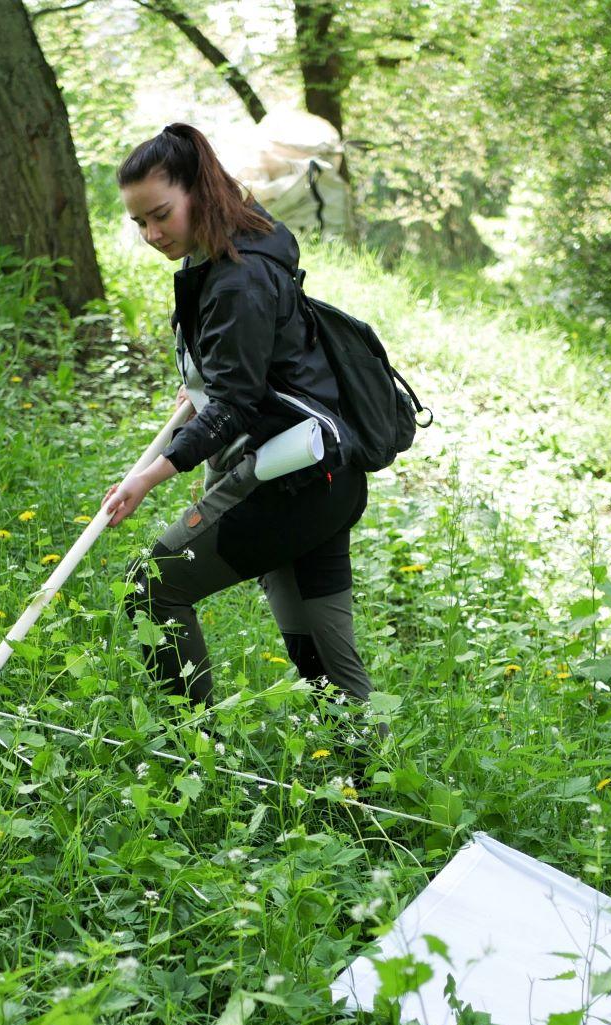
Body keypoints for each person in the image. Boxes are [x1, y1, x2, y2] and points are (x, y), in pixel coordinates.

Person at [103, 122, 376, 733]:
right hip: (320, 472)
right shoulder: (249, 240)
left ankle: (198, 756)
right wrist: (208, 379)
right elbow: (251, 368)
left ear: (198, 190)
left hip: (290, 478)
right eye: (138, 222)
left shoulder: (238, 277)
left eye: (160, 215)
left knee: (150, 589)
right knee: (324, 658)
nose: (150, 234)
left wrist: (149, 477)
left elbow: (235, 405)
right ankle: (368, 795)